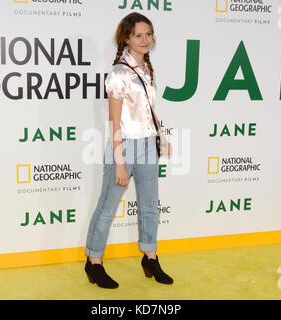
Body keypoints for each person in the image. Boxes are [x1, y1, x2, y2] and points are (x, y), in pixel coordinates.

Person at [84, 12, 173, 289]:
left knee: (149, 206)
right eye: (138, 35)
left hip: (149, 145)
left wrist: (162, 136)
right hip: (124, 147)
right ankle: (94, 262)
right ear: (126, 39)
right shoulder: (119, 74)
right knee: (107, 208)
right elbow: (115, 121)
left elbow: (148, 109)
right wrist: (120, 161)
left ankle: (150, 257)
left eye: (149, 34)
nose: (145, 40)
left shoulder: (146, 69)